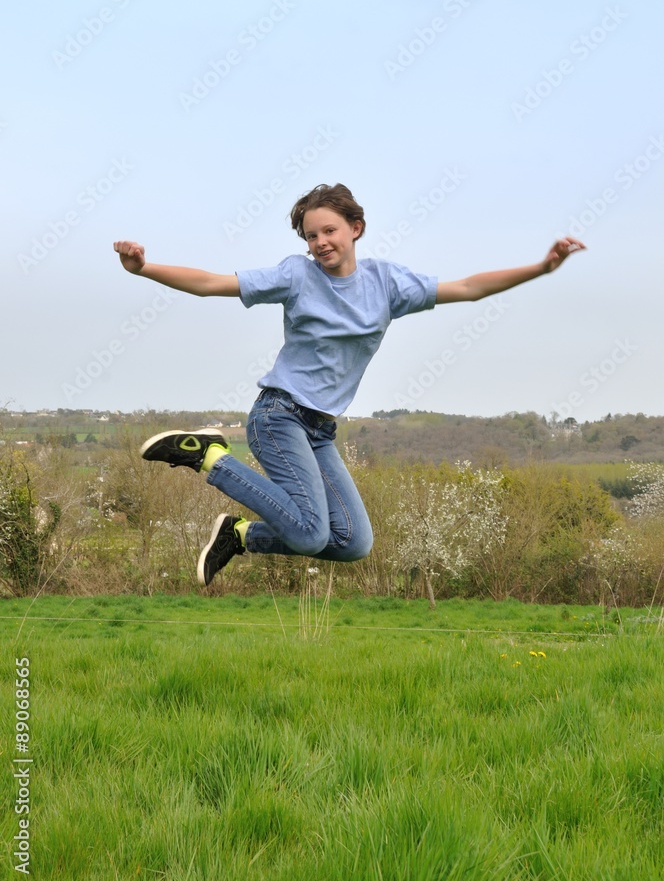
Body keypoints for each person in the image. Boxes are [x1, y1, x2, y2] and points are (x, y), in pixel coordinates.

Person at [113, 182, 585, 586]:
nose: (320, 242)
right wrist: (143, 269)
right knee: (310, 532)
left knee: (352, 543)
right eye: (311, 235)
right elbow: (212, 283)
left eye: (329, 230)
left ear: (355, 227)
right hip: (279, 415)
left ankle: (239, 535)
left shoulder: (386, 283)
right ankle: (206, 456)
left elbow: (468, 287)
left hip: (319, 430)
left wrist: (541, 268)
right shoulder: (296, 275)